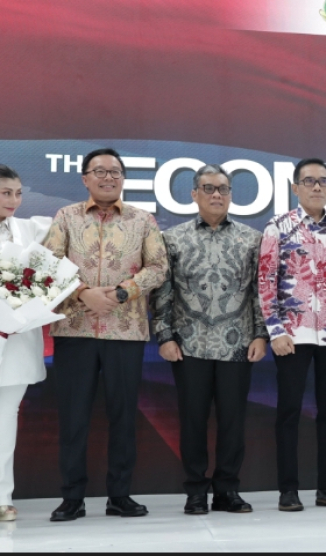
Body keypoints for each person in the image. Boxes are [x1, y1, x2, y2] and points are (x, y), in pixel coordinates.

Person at [43, 148, 168, 521]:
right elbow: (49, 265)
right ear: (85, 178)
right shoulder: (65, 218)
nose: (108, 177)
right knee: (73, 416)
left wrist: (120, 293)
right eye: (99, 171)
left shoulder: (143, 220)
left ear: (123, 178)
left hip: (125, 332)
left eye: (114, 172)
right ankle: (72, 498)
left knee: (123, 416)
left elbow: (159, 267)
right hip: (74, 330)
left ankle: (120, 495)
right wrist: (84, 294)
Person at [151, 164, 268, 515]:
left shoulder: (252, 239)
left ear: (231, 194)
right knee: (192, 420)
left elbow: (260, 292)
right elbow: (162, 292)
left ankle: (227, 490)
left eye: (222, 188)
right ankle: (196, 491)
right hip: (189, 345)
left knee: (233, 421)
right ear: (194, 194)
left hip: (238, 343)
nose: (216, 194)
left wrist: (261, 334)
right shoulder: (173, 238)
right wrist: (164, 336)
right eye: (208, 188)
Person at [258, 158, 326, 512]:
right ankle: (288, 490)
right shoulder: (278, 228)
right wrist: (275, 331)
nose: (316, 187)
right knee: (289, 412)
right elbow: (266, 283)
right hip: (292, 334)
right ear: (295, 187)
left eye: (322, 181)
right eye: (309, 181)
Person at [0, 165, 52, 521]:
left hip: (16, 340)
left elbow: (71, 224)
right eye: (6, 193)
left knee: (5, 420)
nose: (14, 201)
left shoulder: (30, 228)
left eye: (18, 193)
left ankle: (2, 497)